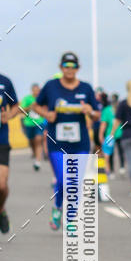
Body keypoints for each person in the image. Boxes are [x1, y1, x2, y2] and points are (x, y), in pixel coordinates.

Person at [35, 52, 100, 230]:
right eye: (66, 66)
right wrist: (47, 114)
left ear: (78, 68)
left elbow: (97, 115)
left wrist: (90, 111)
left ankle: (71, 219)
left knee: (75, 181)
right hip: (57, 141)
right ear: (61, 67)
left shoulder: (86, 88)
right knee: (63, 180)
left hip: (80, 143)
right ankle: (57, 207)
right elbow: (36, 105)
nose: (69, 69)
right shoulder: (51, 86)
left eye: (73, 66)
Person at [0, 43, 19, 238]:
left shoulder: (4, 82)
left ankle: (0, 209)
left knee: (0, 184)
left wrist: (8, 116)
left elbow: (16, 106)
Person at [20, 83, 45, 170]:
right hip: (29, 123)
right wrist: (30, 107)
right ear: (32, 91)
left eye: (38, 90)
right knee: (31, 141)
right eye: (35, 90)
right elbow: (21, 110)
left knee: (38, 140)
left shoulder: (42, 98)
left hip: (40, 122)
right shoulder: (27, 98)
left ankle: (38, 161)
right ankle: (34, 153)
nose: (36, 92)